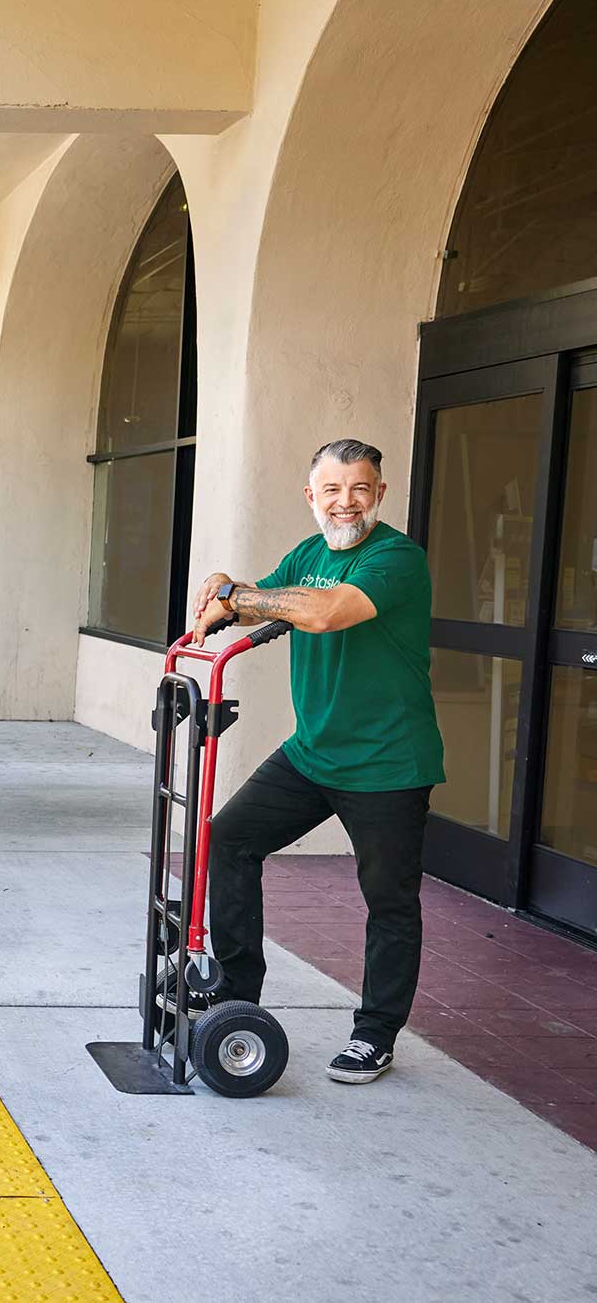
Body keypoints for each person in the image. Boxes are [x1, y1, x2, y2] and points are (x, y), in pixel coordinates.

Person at [185, 438, 444, 1084]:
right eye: (332, 489)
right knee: (231, 838)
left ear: (379, 494)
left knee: (388, 900)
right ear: (311, 497)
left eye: (360, 488)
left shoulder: (397, 558)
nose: (345, 502)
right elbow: (260, 600)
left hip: (388, 763)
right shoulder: (307, 553)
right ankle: (237, 994)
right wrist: (221, 594)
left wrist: (240, 594)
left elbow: (325, 613)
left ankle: (374, 1034)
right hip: (313, 752)